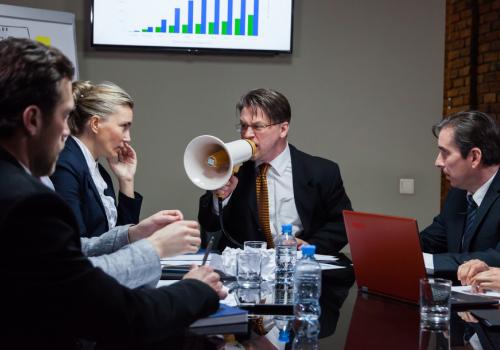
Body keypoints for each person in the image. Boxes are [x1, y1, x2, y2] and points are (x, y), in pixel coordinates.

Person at [0, 37, 225, 349]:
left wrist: (132, 234)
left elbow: (73, 250)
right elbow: (116, 314)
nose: (67, 130)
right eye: (64, 116)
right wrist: (182, 275)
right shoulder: (28, 203)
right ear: (33, 119)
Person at [198, 88, 352, 255]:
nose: (247, 134)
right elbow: (209, 224)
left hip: (298, 267)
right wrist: (220, 197)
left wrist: (308, 247)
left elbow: (341, 225)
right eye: (243, 125)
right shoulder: (233, 168)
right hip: (246, 270)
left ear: (283, 129)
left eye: (258, 126)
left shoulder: (321, 171)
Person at [51, 81, 142, 238]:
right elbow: (77, 243)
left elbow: (120, 241)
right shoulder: (65, 164)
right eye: (123, 126)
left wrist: (126, 180)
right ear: (95, 124)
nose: (128, 138)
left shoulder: (100, 172)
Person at [420, 111, 500, 276]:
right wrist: (387, 247)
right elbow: (431, 240)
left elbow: (496, 258)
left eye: (445, 153)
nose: (437, 162)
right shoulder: (457, 194)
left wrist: (425, 261)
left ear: (474, 157)